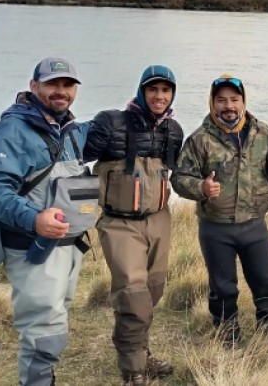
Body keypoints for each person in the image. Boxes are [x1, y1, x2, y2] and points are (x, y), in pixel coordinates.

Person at [0, 57, 90, 386]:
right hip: (31, 247)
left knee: (56, 320)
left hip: (67, 248)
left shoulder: (68, 130)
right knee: (43, 332)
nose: (61, 91)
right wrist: (34, 218)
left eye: (68, 85)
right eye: (52, 84)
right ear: (33, 86)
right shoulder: (12, 131)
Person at [84, 65, 184, 386]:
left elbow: (180, 173)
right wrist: (79, 210)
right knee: (132, 295)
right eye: (153, 89)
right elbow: (72, 159)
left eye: (165, 90)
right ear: (142, 90)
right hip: (119, 223)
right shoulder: (110, 123)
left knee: (152, 291)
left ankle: (141, 351)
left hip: (159, 220)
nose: (159, 96)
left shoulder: (173, 130)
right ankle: (133, 372)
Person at [171, 74, 268, 348]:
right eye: (221, 100)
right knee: (223, 288)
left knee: (267, 282)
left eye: (234, 99)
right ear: (212, 102)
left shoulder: (263, 133)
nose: (228, 105)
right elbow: (179, 178)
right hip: (215, 227)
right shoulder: (199, 139)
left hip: (254, 224)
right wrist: (201, 188)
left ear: (244, 101)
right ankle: (228, 337)